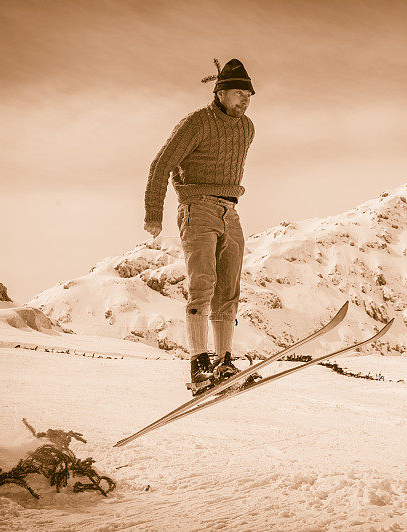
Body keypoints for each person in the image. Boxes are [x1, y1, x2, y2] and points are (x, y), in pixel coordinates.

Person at [143, 58, 255, 394]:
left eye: (248, 94)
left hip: (230, 212)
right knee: (202, 286)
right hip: (198, 208)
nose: (245, 99)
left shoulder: (247, 127)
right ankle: (198, 366)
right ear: (220, 92)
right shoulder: (196, 122)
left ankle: (223, 363)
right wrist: (153, 214)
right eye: (238, 93)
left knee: (228, 293)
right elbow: (161, 164)